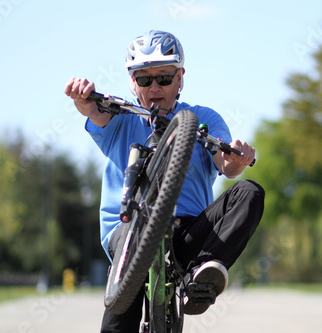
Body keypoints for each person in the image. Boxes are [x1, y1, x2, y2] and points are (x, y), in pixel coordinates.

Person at [64, 30, 264, 332]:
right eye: (144, 79)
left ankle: (201, 277)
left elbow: (224, 161)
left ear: (180, 77)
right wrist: (83, 100)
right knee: (120, 321)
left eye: (164, 78)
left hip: (186, 235)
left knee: (250, 191)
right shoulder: (122, 118)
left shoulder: (200, 118)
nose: (154, 87)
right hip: (131, 234)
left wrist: (235, 160)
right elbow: (95, 112)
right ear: (132, 82)